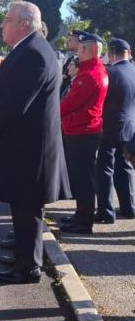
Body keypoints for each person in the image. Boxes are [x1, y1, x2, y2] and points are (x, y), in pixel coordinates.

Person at [0, 2, 70, 283]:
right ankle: (24, 255)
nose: (1, 25)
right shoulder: (30, 49)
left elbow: (17, 103)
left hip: (30, 150)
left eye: (6, 20)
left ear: (23, 24)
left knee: (27, 208)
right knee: (22, 207)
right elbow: (8, 95)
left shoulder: (33, 53)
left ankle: (28, 267)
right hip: (26, 146)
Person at [59, 31, 109, 234]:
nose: (77, 52)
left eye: (81, 48)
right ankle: (80, 215)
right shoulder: (90, 70)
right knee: (81, 178)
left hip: (82, 132)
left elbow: (69, 104)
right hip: (81, 130)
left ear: (90, 50)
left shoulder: (90, 75)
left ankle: (84, 221)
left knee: (84, 179)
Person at [95, 38, 135, 222]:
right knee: (125, 167)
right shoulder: (133, 71)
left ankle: (106, 211)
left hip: (110, 126)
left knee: (105, 168)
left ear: (110, 54)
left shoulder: (109, 72)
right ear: (129, 53)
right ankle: (128, 207)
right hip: (129, 126)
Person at [60, 31, 82, 100]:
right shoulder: (70, 59)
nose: (67, 42)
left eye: (70, 40)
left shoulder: (82, 61)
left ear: (78, 43)